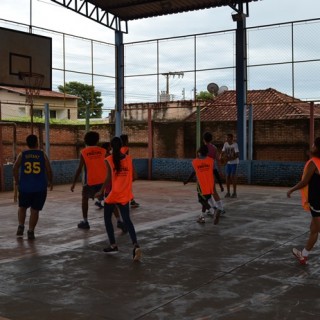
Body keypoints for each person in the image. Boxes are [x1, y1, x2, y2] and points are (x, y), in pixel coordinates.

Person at [95, 136, 141, 261]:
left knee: (107, 219)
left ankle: (113, 245)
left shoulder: (108, 159)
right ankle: (135, 245)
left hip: (113, 194)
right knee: (127, 220)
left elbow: (108, 178)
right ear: (122, 146)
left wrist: (100, 191)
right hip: (125, 195)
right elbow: (135, 176)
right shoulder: (129, 159)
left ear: (111, 146)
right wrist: (125, 182)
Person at [13, 134, 53, 240]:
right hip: (39, 187)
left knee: (22, 207)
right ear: (37, 143)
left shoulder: (23, 154)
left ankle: (21, 225)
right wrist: (50, 181)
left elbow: (15, 167)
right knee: (35, 210)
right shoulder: (42, 154)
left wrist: (17, 181)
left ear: (27, 143)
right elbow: (48, 169)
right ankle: (30, 231)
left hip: (25, 187)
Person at [287, 137, 320, 265]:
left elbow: (305, 181)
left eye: (313, 145)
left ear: (317, 148)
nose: (311, 146)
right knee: (313, 229)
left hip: (317, 201)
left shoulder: (314, 163)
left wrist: (292, 190)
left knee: (317, 228)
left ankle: (304, 255)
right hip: (317, 201)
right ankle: (303, 255)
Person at [71, 131, 107, 229]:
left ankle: (85, 221)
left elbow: (79, 168)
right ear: (97, 140)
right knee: (109, 200)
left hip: (89, 181)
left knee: (84, 199)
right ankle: (119, 220)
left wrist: (74, 182)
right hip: (103, 180)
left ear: (86, 140)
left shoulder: (84, 152)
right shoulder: (103, 151)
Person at [94, 141, 128, 234]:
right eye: (109, 147)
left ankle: (119, 221)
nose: (110, 148)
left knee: (113, 205)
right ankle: (119, 222)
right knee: (115, 205)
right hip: (111, 183)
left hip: (110, 184)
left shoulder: (107, 157)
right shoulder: (109, 157)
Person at [184, 144, 222, 225]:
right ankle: (202, 217)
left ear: (199, 152)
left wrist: (187, 180)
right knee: (205, 201)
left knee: (201, 200)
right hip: (210, 185)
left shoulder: (195, 162)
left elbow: (193, 173)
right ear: (207, 152)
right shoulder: (211, 161)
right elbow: (216, 173)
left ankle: (213, 211)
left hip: (201, 185)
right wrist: (221, 184)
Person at [120, 134, 140, 208]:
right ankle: (131, 201)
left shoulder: (118, 149)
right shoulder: (125, 148)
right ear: (126, 140)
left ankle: (131, 201)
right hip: (125, 170)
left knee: (124, 186)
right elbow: (126, 160)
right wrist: (132, 170)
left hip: (120, 170)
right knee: (127, 186)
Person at [221, 133, 239, 198]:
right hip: (228, 163)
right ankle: (228, 192)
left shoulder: (235, 145)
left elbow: (237, 155)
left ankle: (234, 193)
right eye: (227, 138)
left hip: (234, 163)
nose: (228, 139)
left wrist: (229, 158)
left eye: (229, 138)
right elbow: (222, 152)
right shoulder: (225, 144)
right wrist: (221, 158)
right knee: (227, 176)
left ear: (232, 138)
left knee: (232, 176)